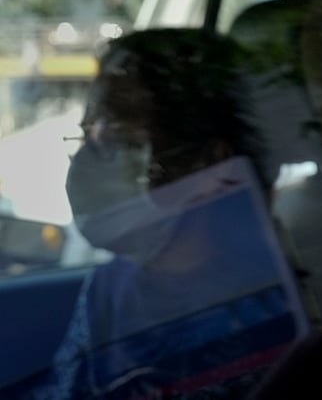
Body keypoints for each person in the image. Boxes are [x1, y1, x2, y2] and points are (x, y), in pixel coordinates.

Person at [20, 29, 304, 399]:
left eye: (119, 136)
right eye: (87, 134)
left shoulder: (271, 306)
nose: (89, 158)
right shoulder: (109, 288)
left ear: (209, 165)